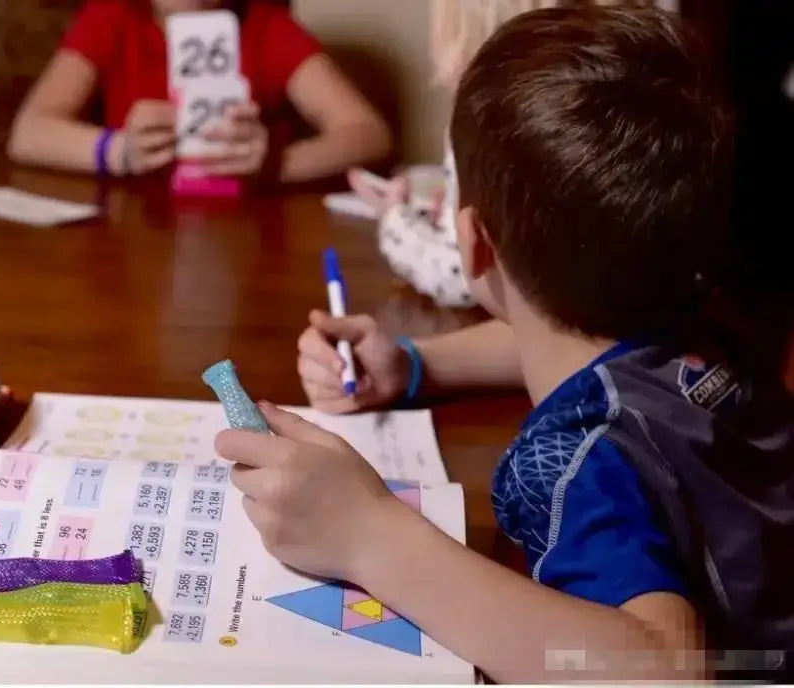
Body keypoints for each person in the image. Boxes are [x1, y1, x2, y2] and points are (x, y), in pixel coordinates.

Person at [215, 6, 794, 682]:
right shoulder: (707, 321)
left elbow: (667, 673)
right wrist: (413, 364)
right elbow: (576, 341)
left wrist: (369, 536)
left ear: (472, 242)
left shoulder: (573, 460)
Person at [7, 0, 392, 184]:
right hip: (131, 236)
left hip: (240, 236)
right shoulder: (113, 17)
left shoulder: (266, 27)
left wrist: (275, 163)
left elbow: (369, 134)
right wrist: (118, 150)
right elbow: (29, 131)